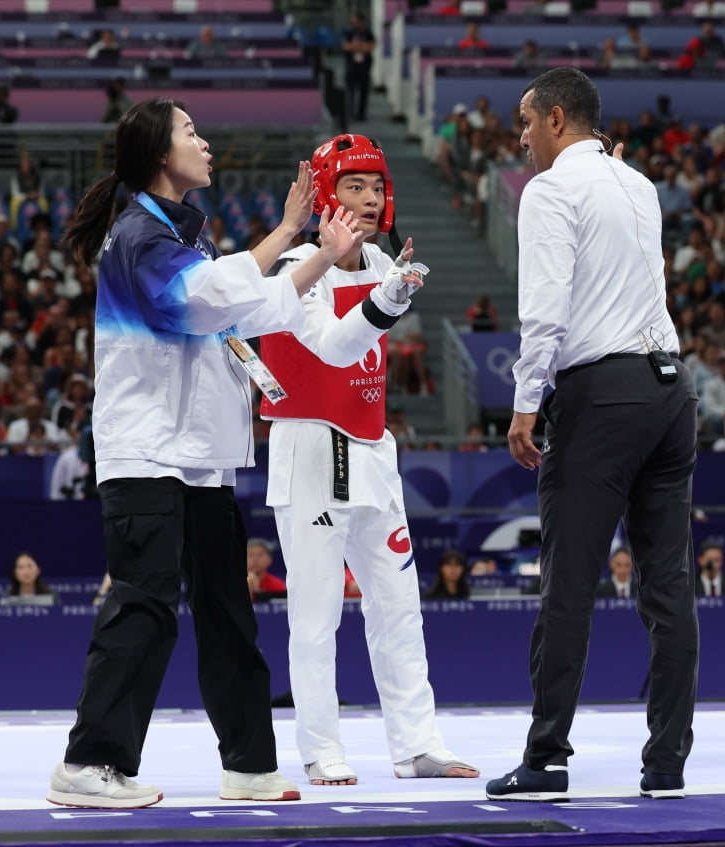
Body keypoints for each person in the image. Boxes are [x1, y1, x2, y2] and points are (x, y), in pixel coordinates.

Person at [46, 97, 360, 809]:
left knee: (227, 609)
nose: (206, 142)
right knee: (144, 605)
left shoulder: (190, 240)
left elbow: (243, 309)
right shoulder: (139, 237)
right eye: (192, 131)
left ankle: (249, 763)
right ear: (161, 153)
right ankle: (89, 763)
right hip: (148, 455)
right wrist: (285, 230)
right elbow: (202, 300)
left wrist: (323, 258)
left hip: (200, 458)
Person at [487, 68, 698, 803]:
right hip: (671, 390)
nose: (519, 137)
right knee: (668, 584)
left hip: (602, 396)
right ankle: (667, 761)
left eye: (523, 120)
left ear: (553, 118)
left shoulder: (548, 190)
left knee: (569, 580)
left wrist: (523, 404)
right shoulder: (637, 184)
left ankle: (545, 760)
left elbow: (544, 308)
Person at [257, 133, 478, 788]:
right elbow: (330, 347)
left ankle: (418, 744)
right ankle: (322, 749)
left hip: (372, 450)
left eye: (377, 185)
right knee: (317, 612)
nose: (372, 196)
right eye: (356, 185)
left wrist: (388, 291)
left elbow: (370, 347)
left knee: (399, 604)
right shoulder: (294, 266)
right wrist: (389, 301)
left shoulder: (382, 257)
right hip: (312, 452)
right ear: (325, 192)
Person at [340, 12, 376, 124]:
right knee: (350, 91)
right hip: (351, 66)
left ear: (361, 22)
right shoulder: (348, 33)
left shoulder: (368, 33)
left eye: (356, 22)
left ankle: (361, 114)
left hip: (364, 66)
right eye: (352, 22)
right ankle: (350, 113)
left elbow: (370, 47)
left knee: (364, 91)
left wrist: (355, 47)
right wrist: (361, 46)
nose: (354, 24)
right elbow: (346, 46)